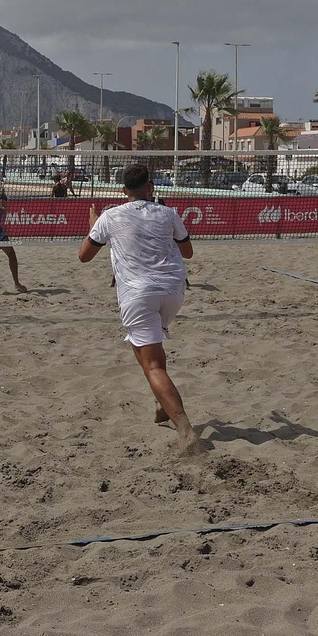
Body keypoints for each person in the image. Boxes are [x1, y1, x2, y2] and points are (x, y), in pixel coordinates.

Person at [79, 163, 201, 455]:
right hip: (174, 290)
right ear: (151, 187)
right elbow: (188, 252)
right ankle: (162, 404)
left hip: (138, 293)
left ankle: (185, 430)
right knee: (151, 353)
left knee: (152, 364)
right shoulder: (168, 213)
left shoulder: (110, 216)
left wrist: (93, 224)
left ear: (123, 190)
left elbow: (84, 256)